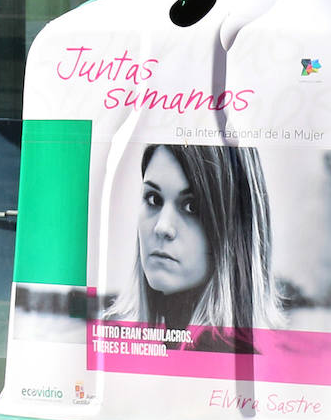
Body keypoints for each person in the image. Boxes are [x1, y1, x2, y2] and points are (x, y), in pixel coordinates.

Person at [102, 143, 282, 352]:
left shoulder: (222, 356)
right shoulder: (143, 341)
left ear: (236, 231)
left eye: (192, 207)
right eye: (154, 199)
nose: (162, 227)